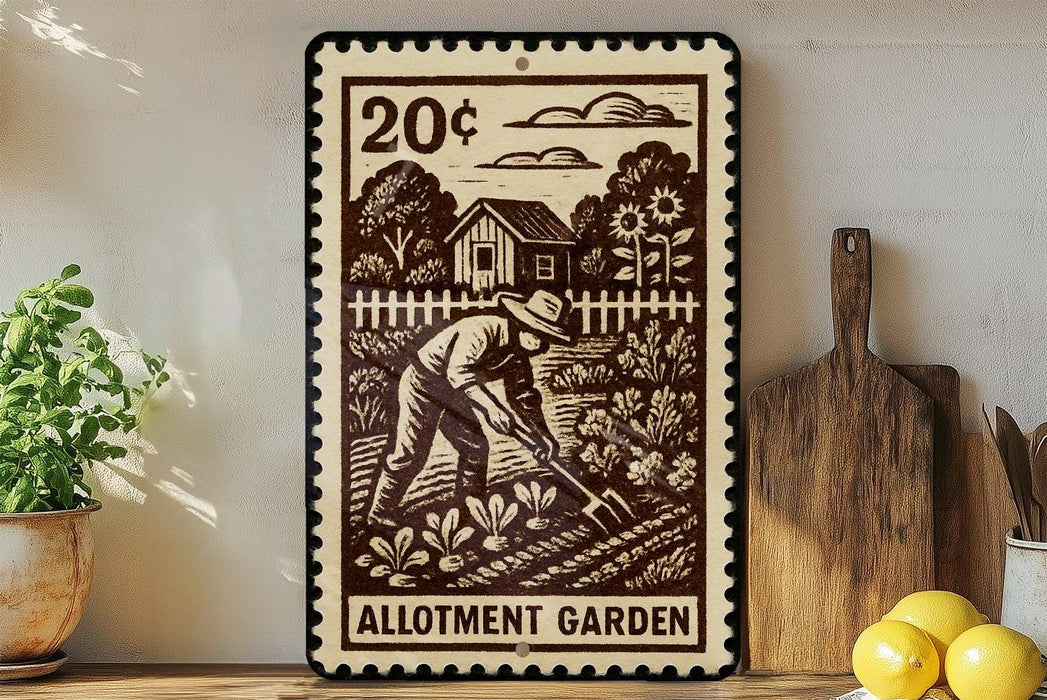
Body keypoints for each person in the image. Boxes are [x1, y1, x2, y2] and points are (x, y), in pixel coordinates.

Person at [367, 290, 573, 528]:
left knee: (475, 448)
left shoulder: (517, 356)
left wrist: (542, 436)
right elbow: (458, 371)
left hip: (455, 393)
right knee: (411, 453)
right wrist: (492, 408)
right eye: (535, 331)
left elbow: (523, 396)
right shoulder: (481, 329)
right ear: (520, 322)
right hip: (424, 383)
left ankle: (470, 509)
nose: (539, 343)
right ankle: (380, 513)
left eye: (546, 336)